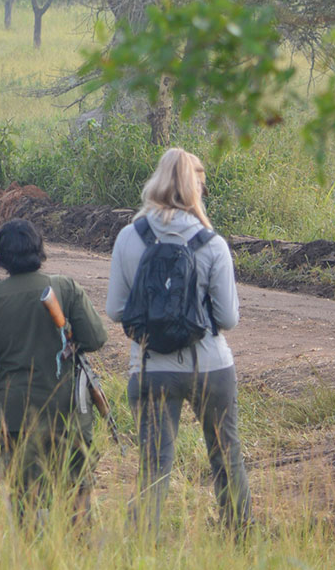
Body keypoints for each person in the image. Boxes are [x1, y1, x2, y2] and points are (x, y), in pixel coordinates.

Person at [107, 147, 251, 533]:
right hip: (210, 366)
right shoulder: (212, 243)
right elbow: (227, 318)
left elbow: (116, 311)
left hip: (151, 367)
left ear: (156, 180)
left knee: (154, 464)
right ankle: (239, 537)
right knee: (226, 455)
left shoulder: (128, 237)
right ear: (195, 189)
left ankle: (142, 545)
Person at [0, 217, 107, 527]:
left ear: (2, 257)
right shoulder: (65, 287)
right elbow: (96, 338)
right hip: (67, 411)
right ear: (40, 250)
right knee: (77, 489)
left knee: (26, 496)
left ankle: (33, 558)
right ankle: (81, 554)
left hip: (16, 412)